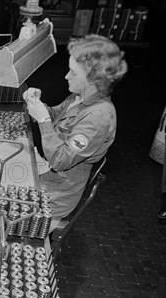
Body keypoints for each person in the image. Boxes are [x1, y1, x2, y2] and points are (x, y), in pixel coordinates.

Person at [24, 34, 128, 222]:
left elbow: (60, 161)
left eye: (73, 72)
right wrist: (36, 103)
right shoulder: (79, 97)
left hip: (55, 195)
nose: (66, 76)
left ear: (94, 78)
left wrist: (43, 119)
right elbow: (55, 116)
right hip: (46, 175)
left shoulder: (99, 117)